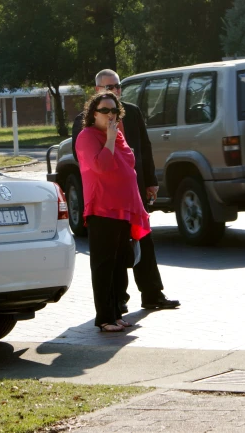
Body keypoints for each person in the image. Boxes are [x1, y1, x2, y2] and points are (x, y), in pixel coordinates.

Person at [72, 69, 180, 312]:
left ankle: (153, 294)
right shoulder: (85, 122)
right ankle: (117, 301)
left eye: (117, 86)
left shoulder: (131, 112)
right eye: (108, 87)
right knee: (117, 252)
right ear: (97, 91)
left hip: (134, 192)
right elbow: (89, 164)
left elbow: (143, 147)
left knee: (144, 242)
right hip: (107, 200)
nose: (114, 91)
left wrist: (150, 181)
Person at [75, 92, 151, 332]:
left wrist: (113, 137)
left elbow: (129, 161)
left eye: (114, 111)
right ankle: (105, 318)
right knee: (103, 265)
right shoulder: (87, 136)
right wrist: (109, 138)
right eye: (105, 110)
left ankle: (116, 314)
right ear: (93, 113)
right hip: (102, 209)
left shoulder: (117, 135)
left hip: (122, 209)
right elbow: (102, 165)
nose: (110, 115)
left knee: (119, 263)